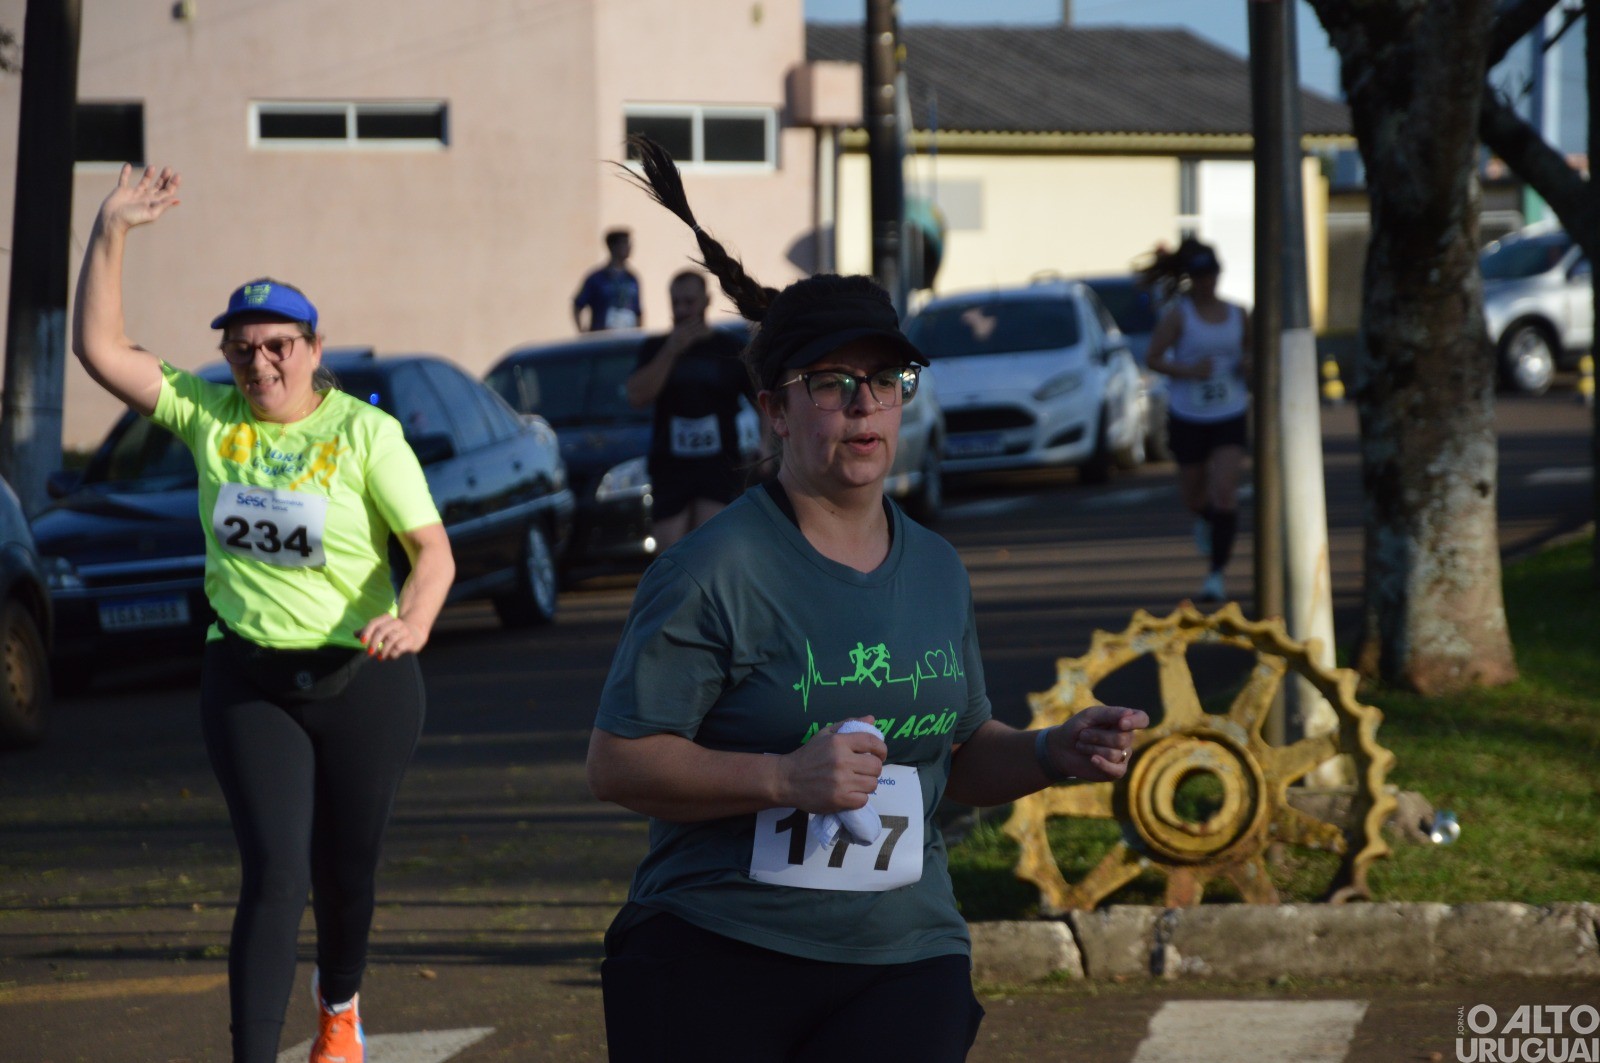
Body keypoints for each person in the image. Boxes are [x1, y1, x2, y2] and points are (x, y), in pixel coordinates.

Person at [586, 137, 1149, 1062]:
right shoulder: (710, 571)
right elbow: (618, 764)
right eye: (832, 384)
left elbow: (959, 753)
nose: (863, 406)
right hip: (723, 946)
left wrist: (1051, 750)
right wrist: (780, 778)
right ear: (775, 409)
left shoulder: (935, 567)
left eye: (884, 382)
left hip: (905, 952)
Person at [71, 165, 456, 1063]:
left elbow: (433, 551)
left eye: (279, 345)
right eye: (243, 348)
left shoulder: (365, 434)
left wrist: (415, 619)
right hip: (248, 678)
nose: (261, 363)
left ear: (315, 348)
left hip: (366, 678)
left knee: (346, 876)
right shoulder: (210, 418)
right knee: (276, 873)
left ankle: (340, 1004)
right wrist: (111, 228)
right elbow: (100, 348)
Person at [1142, 238, 1252, 603]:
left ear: (1219, 275)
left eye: (1212, 275)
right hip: (1189, 413)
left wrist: (1246, 365)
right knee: (1193, 497)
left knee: (1224, 492)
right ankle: (1206, 520)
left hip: (1229, 412)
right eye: (1200, 276)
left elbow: (1253, 353)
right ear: (1192, 279)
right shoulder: (1180, 315)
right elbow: (1153, 357)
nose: (1207, 283)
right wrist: (1189, 370)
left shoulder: (1238, 314)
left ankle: (1216, 576)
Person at [623, 269, 755, 547]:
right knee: (671, 555)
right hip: (671, 467)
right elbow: (637, 396)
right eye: (676, 303)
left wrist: (767, 446)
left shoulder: (728, 348)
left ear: (706, 301)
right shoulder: (655, 348)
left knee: (711, 549)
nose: (682, 310)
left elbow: (763, 400)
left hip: (718, 465)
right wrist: (672, 350)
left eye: (689, 302)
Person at [572, 227, 643, 332]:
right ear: (613, 247)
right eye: (624, 243)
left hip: (627, 338)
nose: (629, 247)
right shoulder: (596, 278)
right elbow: (577, 305)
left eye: (629, 243)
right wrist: (581, 331)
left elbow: (638, 312)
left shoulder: (632, 279)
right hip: (602, 339)